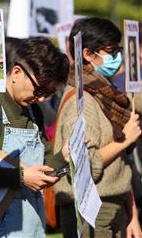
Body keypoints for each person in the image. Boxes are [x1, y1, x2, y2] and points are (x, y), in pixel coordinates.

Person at [0, 36, 70, 237]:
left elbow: (44, 165)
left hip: (31, 226)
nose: (42, 98)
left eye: (49, 93)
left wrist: (64, 156)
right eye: (40, 89)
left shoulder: (34, 111)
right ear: (17, 72)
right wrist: (22, 177)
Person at [53, 17, 142, 238]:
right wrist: (125, 140)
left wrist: (133, 216)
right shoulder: (81, 101)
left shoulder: (105, 95)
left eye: (118, 49)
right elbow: (86, 166)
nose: (118, 57)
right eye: (110, 51)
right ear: (87, 54)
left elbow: (123, 164)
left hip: (114, 205)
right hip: (90, 212)